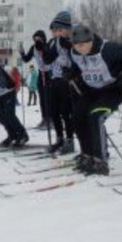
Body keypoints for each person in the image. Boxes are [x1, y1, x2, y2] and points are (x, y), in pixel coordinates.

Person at [67, 24, 122, 175]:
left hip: (113, 90)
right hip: (92, 90)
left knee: (96, 116)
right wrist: (71, 73)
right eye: (76, 45)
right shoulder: (73, 53)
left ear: (91, 40)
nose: (80, 48)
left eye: (83, 45)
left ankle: (101, 161)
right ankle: (88, 155)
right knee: (77, 117)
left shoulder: (108, 49)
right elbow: (79, 66)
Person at [36, 11, 75, 154]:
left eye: (59, 30)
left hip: (67, 82)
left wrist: (58, 53)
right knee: (54, 111)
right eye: (54, 30)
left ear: (67, 30)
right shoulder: (52, 42)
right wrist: (42, 52)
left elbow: (71, 61)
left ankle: (70, 140)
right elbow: (46, 64)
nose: (55, 33)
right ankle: (59, 139)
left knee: (66, 112)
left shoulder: (70, 41)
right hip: (54, 80)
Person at [19, 30, 52, 128]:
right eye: (35, 39)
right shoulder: (33, 48)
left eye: (38, 39)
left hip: (49, 74)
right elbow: (26, 59)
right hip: (40, 74)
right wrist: (22, 53)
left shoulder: (47, 46)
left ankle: (51, 119)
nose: (36, 41)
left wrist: (44, 49)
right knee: (42, 98)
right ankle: (44, 118)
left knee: (49, 98)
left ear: (43, 38)